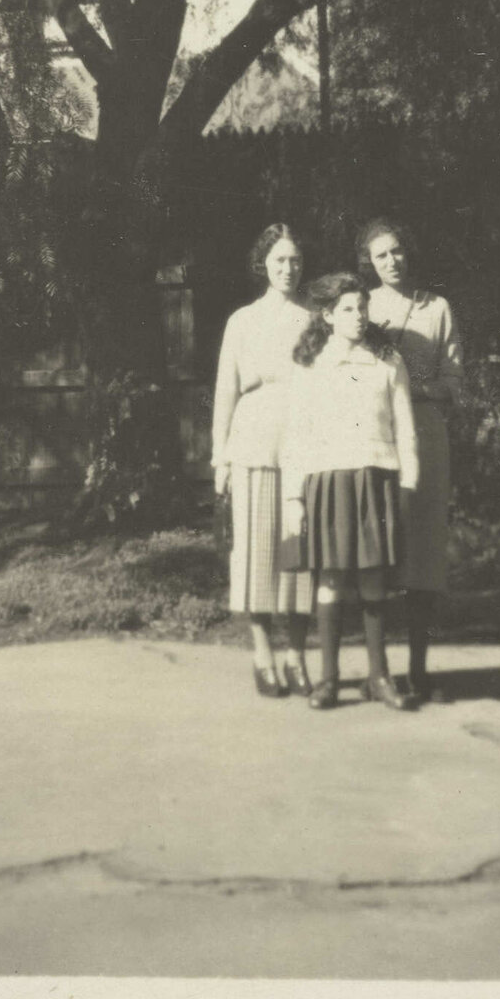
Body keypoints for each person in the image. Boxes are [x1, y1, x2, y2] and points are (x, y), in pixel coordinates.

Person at [280, 273, 420, 712]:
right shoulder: (311, 364)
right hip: (328, 480)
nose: (358, 316)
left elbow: (405, 427)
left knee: (375, 578)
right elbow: (296, 434)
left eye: (362, 307)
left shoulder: (388, 360)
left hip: (377, 477)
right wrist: (293, 497)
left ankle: (379, 678)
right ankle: (329, 679)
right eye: (347, 309)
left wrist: (409, 482)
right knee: (331, 579)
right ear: (327, 315)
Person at [359, 218, 468, 702]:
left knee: (422, 556)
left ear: (410, 252)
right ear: (369, 262)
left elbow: (454, 382)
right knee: (377, 552)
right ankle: (378, 672)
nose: (391, 261)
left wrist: (412, 389)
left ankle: (419, 672)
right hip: (376, 435)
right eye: (381, 255)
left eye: (397, 251)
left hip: (424, 434)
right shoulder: (361, 307)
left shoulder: (436, 308)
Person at [211, 224, 315, 697]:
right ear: (263, 265)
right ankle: (262, 654)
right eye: (279, 261)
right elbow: (225, 393)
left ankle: (296, 655)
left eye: (294, 261)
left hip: (303, 444)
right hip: (252, 441)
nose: (288, 269)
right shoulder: (243, 321)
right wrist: (221, 459)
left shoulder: (316, 319)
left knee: (300, 554)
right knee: (255, 553)